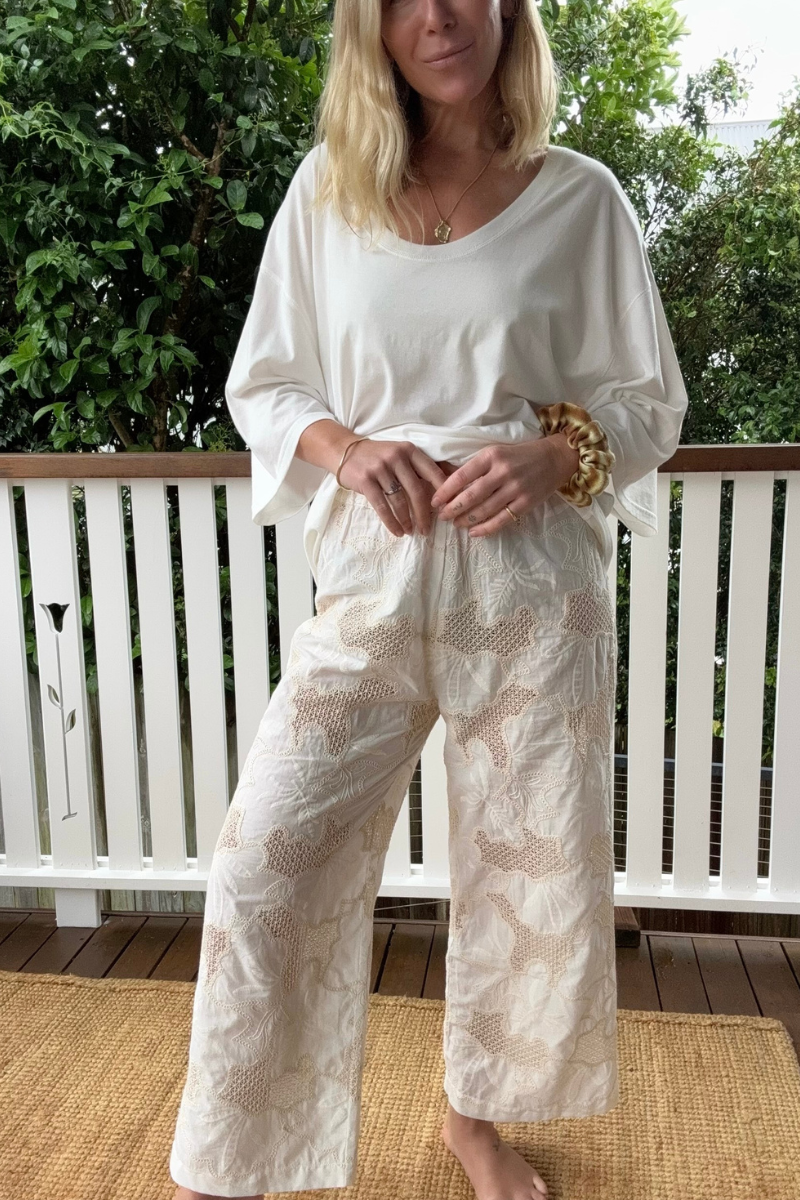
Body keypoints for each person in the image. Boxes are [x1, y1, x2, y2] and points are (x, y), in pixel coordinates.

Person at [169, 0, 688, 1194]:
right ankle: (231, 1156)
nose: (437, 17)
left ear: (509, 11)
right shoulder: (330, 190)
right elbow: (266, 384)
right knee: (264, 858)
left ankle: (476, 1122)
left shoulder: (581, 198)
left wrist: (554, 454)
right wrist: (349, 450)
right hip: (372, 568)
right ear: (373, 27)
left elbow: (648, 403)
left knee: (523, 869)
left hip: (533, 577)